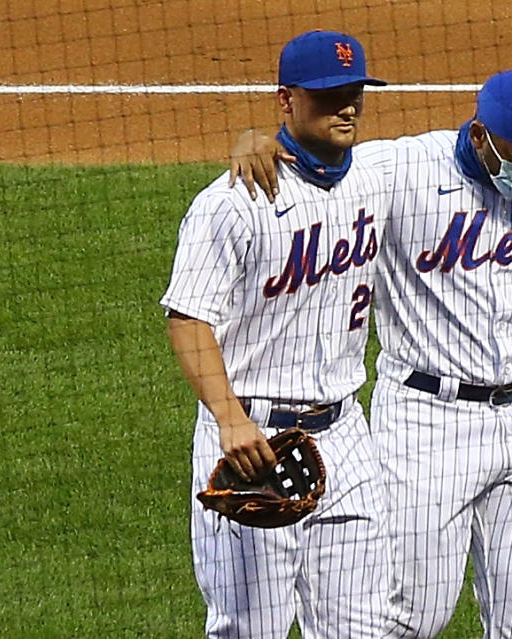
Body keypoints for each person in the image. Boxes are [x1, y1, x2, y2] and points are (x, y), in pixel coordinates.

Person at [231, 70, 512, 639]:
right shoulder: (403, 171)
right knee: (409, 618)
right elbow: (316, 163)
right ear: (479, 136)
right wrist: (258, 139)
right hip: (428, 425)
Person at [160, 30, 395, 639]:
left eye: (354, 93)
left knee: (365, 628)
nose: (346, 107)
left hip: (348, 436)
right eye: (327, 95)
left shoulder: (377, 177)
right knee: (250, 629)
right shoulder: (233, 203)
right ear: (286, 101)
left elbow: (474, 145)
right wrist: (230, 420)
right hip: (254, 440)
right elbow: (187, 317)